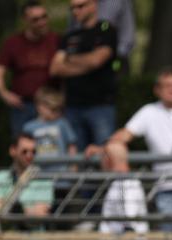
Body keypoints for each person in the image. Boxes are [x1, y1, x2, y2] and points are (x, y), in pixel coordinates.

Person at [108, 68, 172, 232]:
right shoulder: (148, 112)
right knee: (171, 237)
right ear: (157, 90)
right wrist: (103, 146)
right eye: (167, 86)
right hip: (165, 186)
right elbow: (125, 135)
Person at [49, 0, 119, 150]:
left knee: (105, 153)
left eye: (80, 6)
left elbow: (97, 60)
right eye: (72, 8)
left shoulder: (106, 30)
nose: (75, 11)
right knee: (76, 157)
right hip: (73, 106)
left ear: (93, 5)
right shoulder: (70, 36)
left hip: (101, 105)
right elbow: (55, 68)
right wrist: (86, 64)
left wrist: (69, 60)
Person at [0, 1, 60, 136]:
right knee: (23, 147)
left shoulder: (56, 40)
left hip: (51, 105)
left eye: (44, 17)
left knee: (54, 148)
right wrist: (4, 94)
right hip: (23, 106)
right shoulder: (13, 43)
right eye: (36, 19)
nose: (42, 22)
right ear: (25, 20)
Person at [0, 133, 52, 220]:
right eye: (24, 151)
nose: (29, 155)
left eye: (33, 151)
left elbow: (41, 215)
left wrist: (9, 209)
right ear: (12, 151)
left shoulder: (44, 180)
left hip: (36, 233)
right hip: (4, 232)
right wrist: (27, 211)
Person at [67, 0, 135, 76]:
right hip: (82, 58)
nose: (76, 11)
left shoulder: (120, 2)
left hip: (114, 59)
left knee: (117, 83)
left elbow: (127, 33)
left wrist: (115, 55)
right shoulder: (80, 3)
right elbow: (72, 30)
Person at [99, 141, 147, 234]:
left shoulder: (125, 183)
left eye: (102, 157)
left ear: (108, 159)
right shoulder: (122, 182)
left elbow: (129, 223)